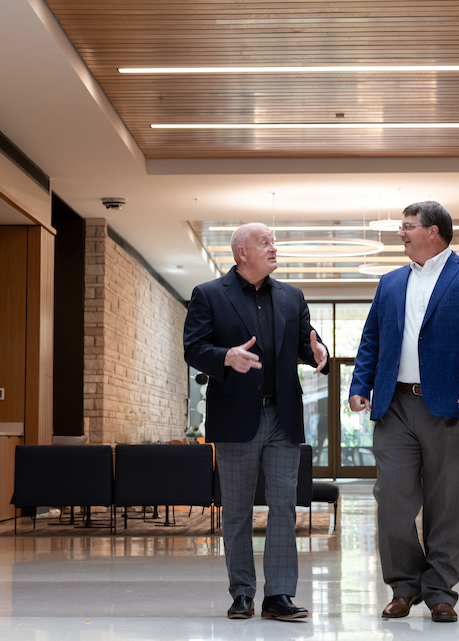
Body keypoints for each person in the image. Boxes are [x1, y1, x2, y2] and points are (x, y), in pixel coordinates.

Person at [348, 201, 459, 623]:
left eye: (407, 227)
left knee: (446, 503)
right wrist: (359, 385)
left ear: (433, 231)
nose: (401, 233)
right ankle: (404, 587)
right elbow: (371, 339)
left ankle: (440, 592)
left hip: (452, 406)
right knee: (392, 500)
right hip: (395, 405)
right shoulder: (390, 282)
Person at [183, 222, 329, 620]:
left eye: (274, 242)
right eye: (264, 242)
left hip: (283, 417)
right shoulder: (209, 295)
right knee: (237, 510)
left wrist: (320, 352)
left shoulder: (292, 297)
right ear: (241, 252)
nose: (273, 248)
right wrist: (225, 358)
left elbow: (306, 343)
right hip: (235, 416)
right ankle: (243, 592)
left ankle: (279, 595)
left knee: (284, 505)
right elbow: (193, 349)